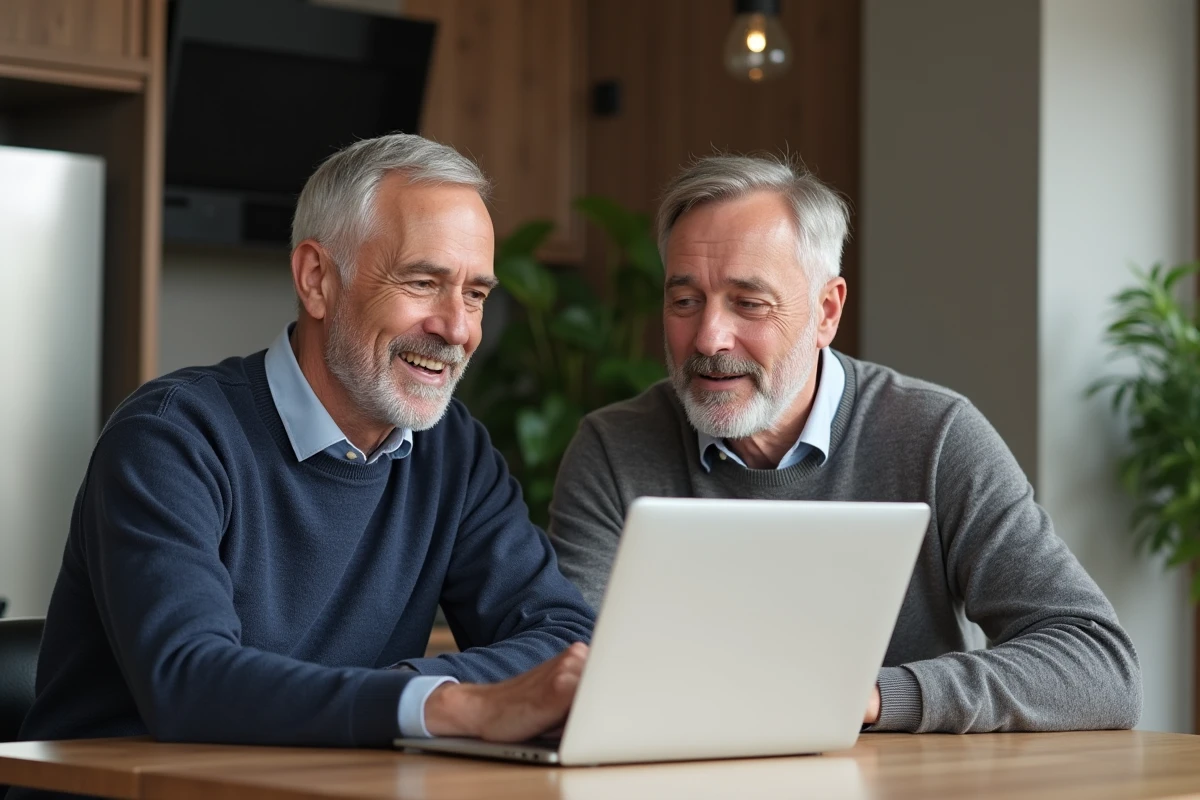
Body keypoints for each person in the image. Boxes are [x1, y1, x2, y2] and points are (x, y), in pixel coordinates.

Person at [15, 134, 594, 768]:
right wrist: (450, 705)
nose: (457, 327)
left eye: (476, 294)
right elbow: (186, 680)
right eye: (423, 281)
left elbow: (563, 635)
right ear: (317, 279)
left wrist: (394, 692)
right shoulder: (170, 439)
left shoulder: (454, 452)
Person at [548, 154, 1142, 734]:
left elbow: (1098, 665)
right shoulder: (614, 448)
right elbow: (570, 668)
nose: (709, 336)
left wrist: (874, 697)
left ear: (826, 311)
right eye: (684, 301)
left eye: (748, 303)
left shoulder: (934, 436)